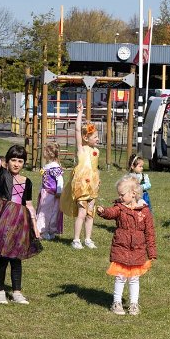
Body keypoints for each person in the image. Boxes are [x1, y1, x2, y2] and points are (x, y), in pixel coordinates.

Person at [0, 122, 41, 304]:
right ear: (7, 161)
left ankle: (17, 292)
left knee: (17, 257)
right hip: (4, 219)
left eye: (20, 161)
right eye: (13, 160)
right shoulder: (2, 174)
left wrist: (34, 225)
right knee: (3, 257)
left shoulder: (27, 182)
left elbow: (28, 203)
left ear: (24, 163)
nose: (16, 164)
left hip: (21, 222)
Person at [96, 175, 156, 316]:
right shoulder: (120, 208)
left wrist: (151, 251)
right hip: (121, 248)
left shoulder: (144, 211)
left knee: (134, 278)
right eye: (119, 195)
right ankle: (116, 303)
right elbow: (111, 212)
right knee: (120, 276)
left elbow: (150, 233)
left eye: (122, 194)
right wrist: (103, 211)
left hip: (138, 250)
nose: (120, 197)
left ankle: (134, 304)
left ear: (133, 194)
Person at [61, 100, 101, 249]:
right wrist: (80, 113)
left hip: (92, 185)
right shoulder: (82, 149)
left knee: (91, 213)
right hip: (82, 186)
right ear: (86, 138)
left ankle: (88, 239)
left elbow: (95, 168)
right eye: (95, 136)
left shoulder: (95, 151)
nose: (97, 138)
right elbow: (78, 131)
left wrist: (98, 180)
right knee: (82, 212)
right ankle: (76, 239)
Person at [36, 141, 64, 240]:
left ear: (49, 153)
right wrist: (41, 190)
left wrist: (59, 191)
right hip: (45, 193)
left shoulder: (54, 167)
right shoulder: (48, 166)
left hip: (52, 194)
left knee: (52, 212)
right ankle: (42, 230)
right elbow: (44, 181)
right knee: (44, 211)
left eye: (44, 152)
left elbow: (59, 180)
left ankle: (49, 231)